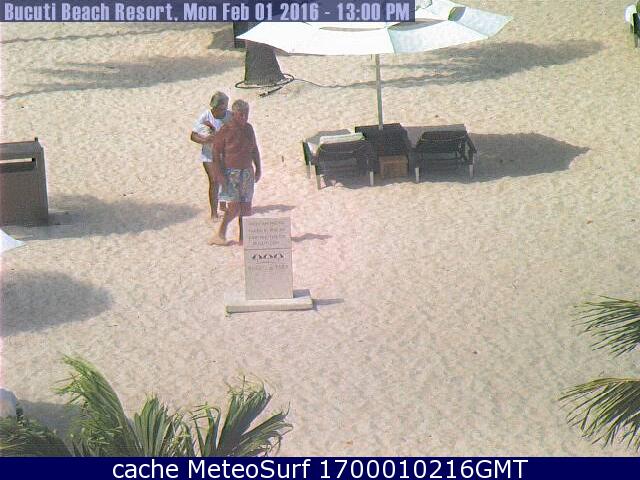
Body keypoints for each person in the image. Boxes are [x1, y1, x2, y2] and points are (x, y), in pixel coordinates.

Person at [208, 99, 261, 246]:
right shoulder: (226, 130)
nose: (244, 117)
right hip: (231, 173)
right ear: (234, 114)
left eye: (246, 114)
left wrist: (258, 168)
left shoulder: (249, 129)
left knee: (246, 208)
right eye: (241, 114)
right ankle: (221, 233)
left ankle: (243, 238)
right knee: (234, 207)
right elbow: (216, 154)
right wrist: (219, 174)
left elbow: (254, 149)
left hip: (247, 172)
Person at [190, 91, 231, 221]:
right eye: (221, 108)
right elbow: (193, 135)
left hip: (225, 153)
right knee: (214, 180)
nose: (223, 110)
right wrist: (205, 140)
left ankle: (223, 205)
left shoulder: (230, 116)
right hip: (208, 154)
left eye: (225, 107)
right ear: (215, 106)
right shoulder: (205, 116)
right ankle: (214, 213)